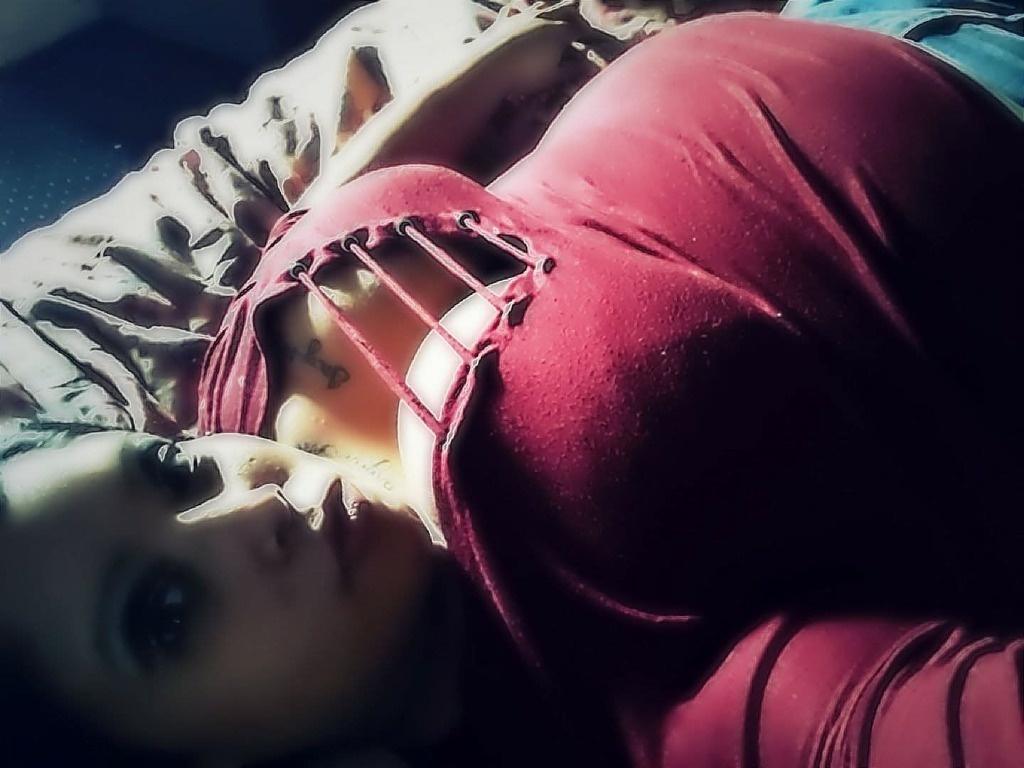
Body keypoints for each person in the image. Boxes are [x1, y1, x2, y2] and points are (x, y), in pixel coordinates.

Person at [4, 6, 1024, 768]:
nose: (243, 508)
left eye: (169, 473)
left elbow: (312, 227)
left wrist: (493, 65)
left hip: (828, 14)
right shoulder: (622, 679)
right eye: (164, 612)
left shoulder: (238, 399)